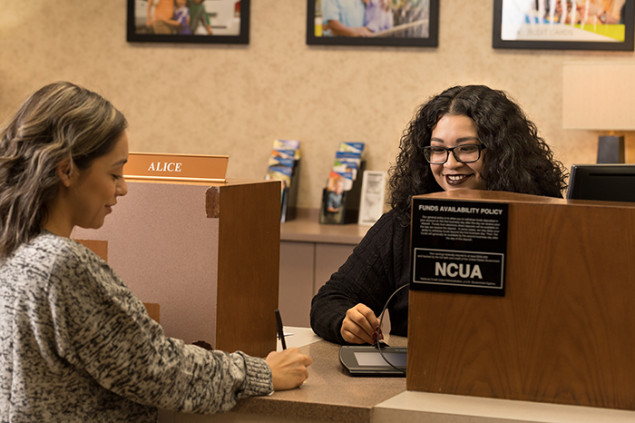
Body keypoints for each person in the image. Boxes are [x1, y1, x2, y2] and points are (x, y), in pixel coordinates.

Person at [0, 81, 312, 422]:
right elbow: (155, 370)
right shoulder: (61, 266)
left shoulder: (14, 249)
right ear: (66, 170)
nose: (123, 188)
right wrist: (261, 373)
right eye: (115, 173)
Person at [310, 85, 567, 345]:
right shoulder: (403, 224)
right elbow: (330, 300)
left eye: (467, 148)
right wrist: (346, 322)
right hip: (415, 377)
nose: (450, 164)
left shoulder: (543, 225)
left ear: (502, 153)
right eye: (438, 150)